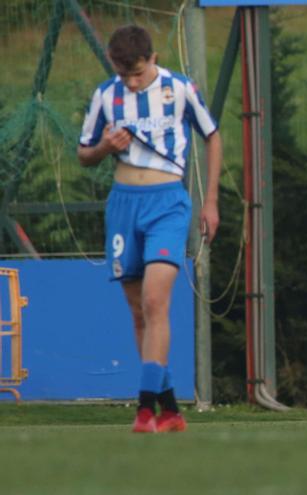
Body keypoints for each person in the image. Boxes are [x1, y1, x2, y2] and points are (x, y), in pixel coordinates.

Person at [77, 25, 221, 433]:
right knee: (138, 310)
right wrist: (105, 147)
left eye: (138, 73)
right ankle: (171, 409)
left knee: (156, 303)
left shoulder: (180, 89)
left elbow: (212, 136)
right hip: (124, 205)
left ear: (153, 58)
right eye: (126, 76)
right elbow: (84, 153)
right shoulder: (107, 95)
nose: (133, 82)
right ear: (113, 64)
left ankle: (144, 410)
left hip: (168, 205)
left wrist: (210, 200)